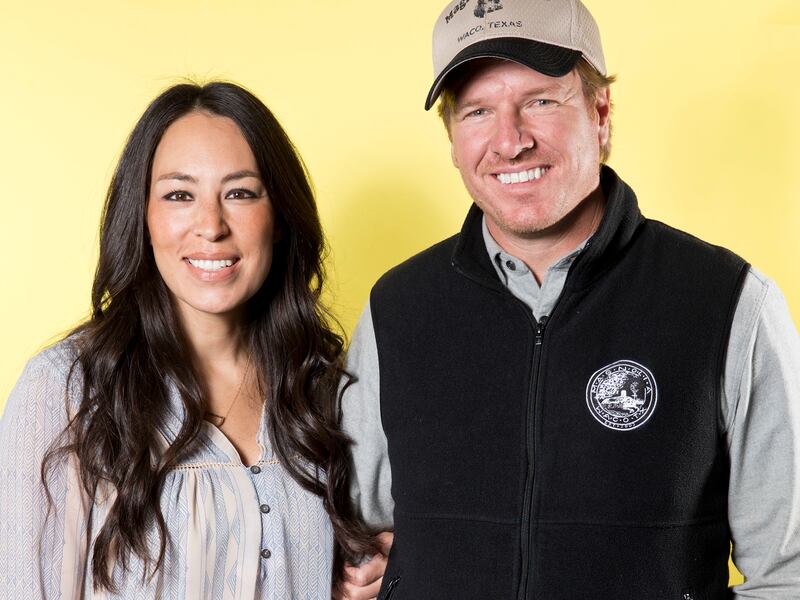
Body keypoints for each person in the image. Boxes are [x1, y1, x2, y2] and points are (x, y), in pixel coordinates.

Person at [340, 0, 800, 598]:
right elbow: (355, 538)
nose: (509, 142)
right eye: (478, 110)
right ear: (453, 138)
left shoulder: (728, 304)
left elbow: (790, 570)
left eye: (539, 101)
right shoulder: (397, 309)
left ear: (601, 113)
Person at [0, 81, 378, 598]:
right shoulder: (66, 391)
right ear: (144, 217)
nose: (211, 225)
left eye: (240, 193)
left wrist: (375, 576)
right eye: (180, 194)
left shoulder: (324, 390)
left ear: (281, 219)